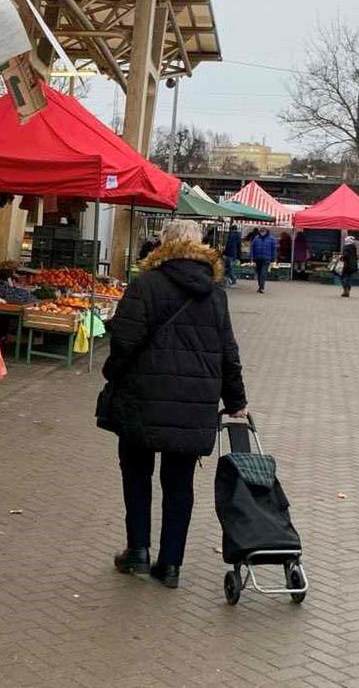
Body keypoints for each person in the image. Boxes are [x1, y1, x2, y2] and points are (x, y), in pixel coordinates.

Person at [98, 219, 247, 590]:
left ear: (162, 244)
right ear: (200, 248)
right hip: (192, 406)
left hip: (140, 399)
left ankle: (139, 552)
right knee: (179, 484)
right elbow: (229, 352)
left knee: (137, 476)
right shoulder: (215, 294)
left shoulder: (145, 285)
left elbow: (124, 343)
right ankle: (171, 564)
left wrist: (111, 374)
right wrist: (236, 401)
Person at [251, 228, 277, 293]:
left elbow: (274, 250)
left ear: (266, 232)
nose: (262, 233)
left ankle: (261, 287)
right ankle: (260, 284)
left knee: (263, 273)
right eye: (261, 232)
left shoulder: (271, 239)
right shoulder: (256, 238)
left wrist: (273, 259)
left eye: (263, 232)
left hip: (266, 258)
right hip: (257, 258)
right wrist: (252, 258)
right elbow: (252, 248)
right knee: (259, 272)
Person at [222, 222, 242, 287]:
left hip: (230, 253)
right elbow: (239, 246)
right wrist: (238, 255)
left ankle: (233, 280)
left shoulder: (231, 235)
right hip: (234, 253)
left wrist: (224, 252)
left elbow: (229, 245)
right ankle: (228, 281)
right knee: (229, 267)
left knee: (228, 268)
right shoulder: (238, 235)